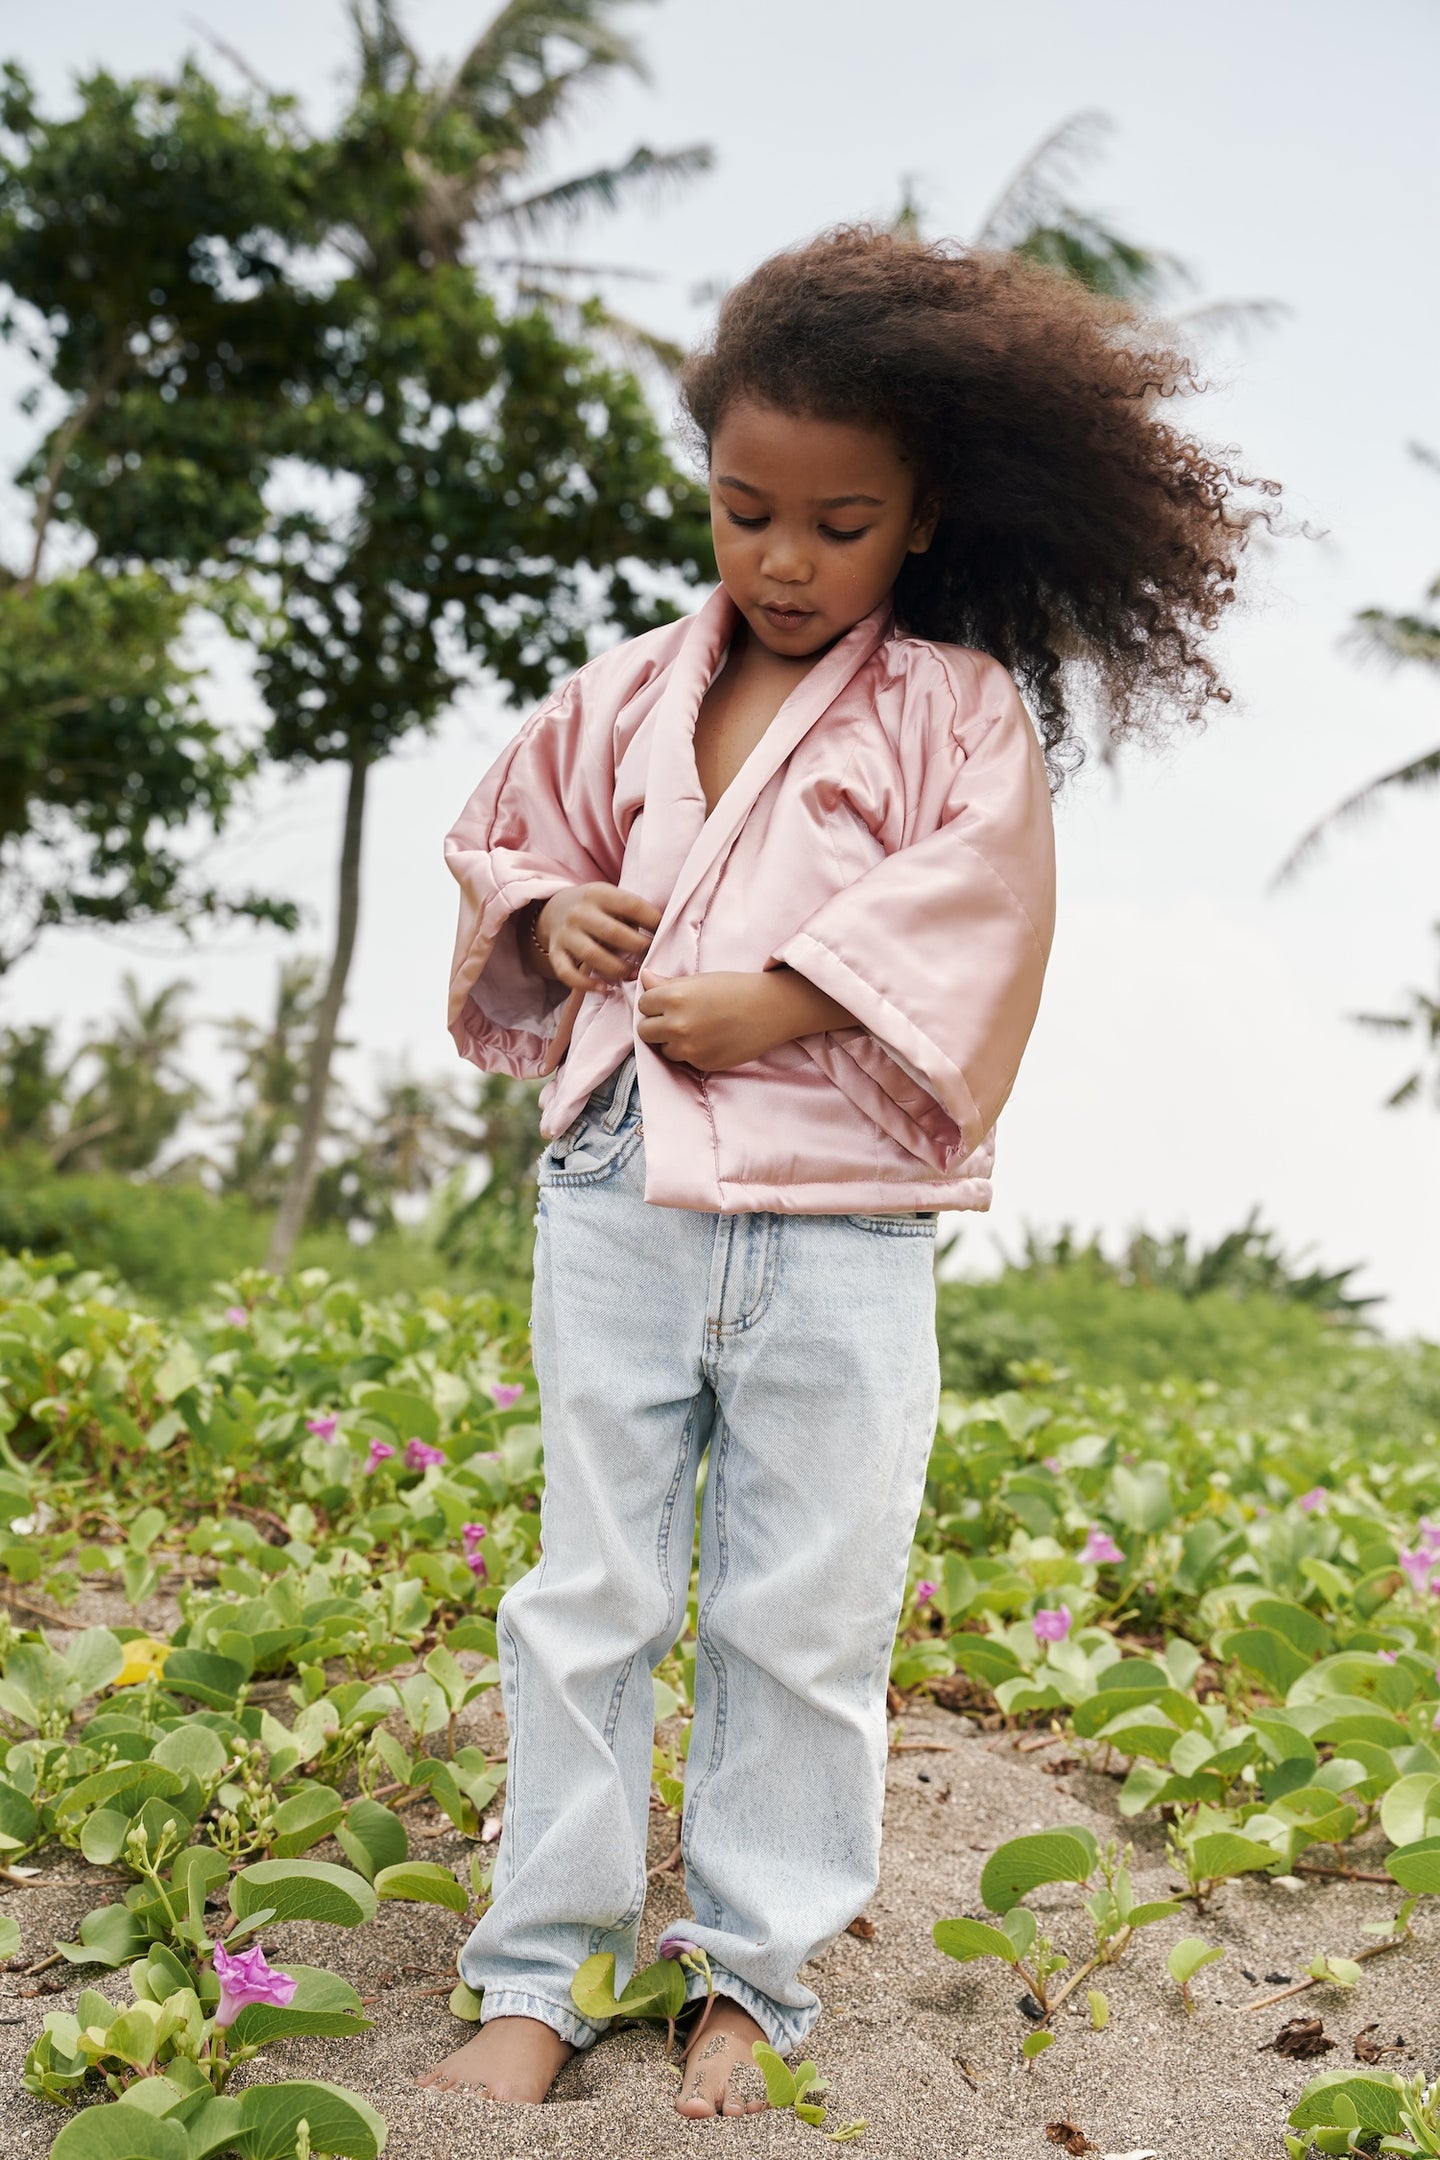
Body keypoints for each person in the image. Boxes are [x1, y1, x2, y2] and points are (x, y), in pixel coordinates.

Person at [419, 228, 1274, 2118]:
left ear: (923, 517)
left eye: (839, 523)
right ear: (708, 486)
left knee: (804, 1611)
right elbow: (508, 840)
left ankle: (754, 1976)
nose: (785, 561)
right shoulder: (628, 689)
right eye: (745, 512)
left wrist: (787, 996)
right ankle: (539, 1970)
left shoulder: (955, 712)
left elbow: (978, 906)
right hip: (622, 1188)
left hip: (843, 1225)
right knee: (588, 1590)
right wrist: (554, 913)